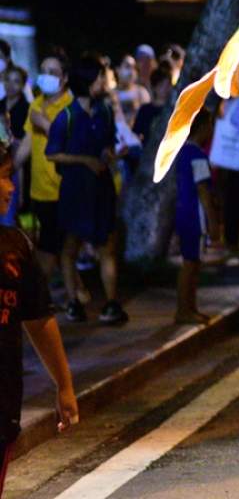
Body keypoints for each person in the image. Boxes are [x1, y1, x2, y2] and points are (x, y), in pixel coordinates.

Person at [45, 56, 128, 325]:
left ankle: (112, 303)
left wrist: (109, 152)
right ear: (86, 82)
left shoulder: (104, 111)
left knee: (107, 247)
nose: (104, 81)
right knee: (70, 246)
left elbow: (109, 143)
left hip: (101, 189)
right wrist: (84, 160)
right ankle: (73, 302)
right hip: (76, 190)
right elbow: (53, 154)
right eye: (100, 77)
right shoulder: (65, 117)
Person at [1, 221, 78, 480]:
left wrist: (64, 384)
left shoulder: (15, 247)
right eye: (4, 179)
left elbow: (38, 318)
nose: (11, 188)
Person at [14, 56, 73, 285]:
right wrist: (11, 167)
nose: (46, 75)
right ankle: (75, 294)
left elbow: (69, 144)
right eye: (43, 70)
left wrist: (45, 125)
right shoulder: (37, 103)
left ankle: (35, 294)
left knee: (51, 245)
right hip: (39, 189)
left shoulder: (70, 107)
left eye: (53, 71)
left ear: (64, 78)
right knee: (57, 244)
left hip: (61, 188)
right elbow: (29, 142)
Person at [210, 62, 239, 259]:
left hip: (229, 159)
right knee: (238, 199)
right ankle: (233, 242)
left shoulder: (229, 99)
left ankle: (231, 239)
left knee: (231, 199)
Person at [176, 108, 216, 324]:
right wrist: (213, 221)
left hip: (183, 213)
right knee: (191, 264)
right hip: (195, 216)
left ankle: (190, 308)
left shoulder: (182, 153)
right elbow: (203, 191)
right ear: (203, 127)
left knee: (192, 262)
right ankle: (184, 309)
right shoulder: (198, 156)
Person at [1, 66, 30, 228]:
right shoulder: (0, 105)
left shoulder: (27, 109)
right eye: (8, 80)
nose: (11, 85)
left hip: (17, 165)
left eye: (17, 81)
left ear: (23, 85)